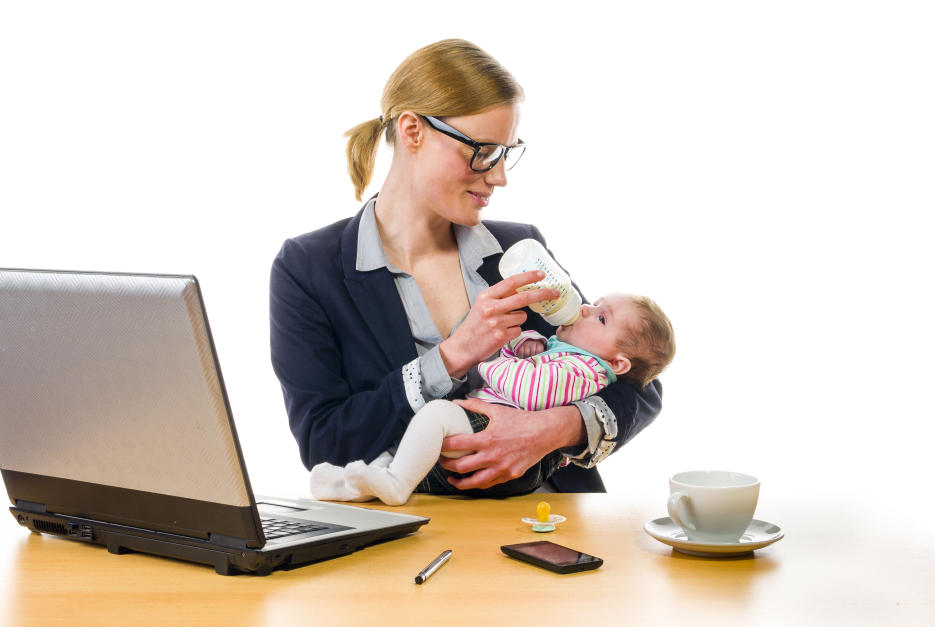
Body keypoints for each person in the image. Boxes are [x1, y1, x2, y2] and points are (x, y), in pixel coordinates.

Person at [269, 38, 664, 496]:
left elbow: (637, 374)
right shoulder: (309, 269)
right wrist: (451, 356)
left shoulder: (519, 249)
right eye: (483, 151)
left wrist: (552, 430)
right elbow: (324, 441)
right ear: (413, 131)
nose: (499, 177)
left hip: (545, 522)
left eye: (505, 153)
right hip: (410, 527)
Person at [309, 294, 675, 504]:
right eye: (595, 304)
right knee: (406, 440)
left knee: (437, 415)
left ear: (617, 363)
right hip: (474, 442)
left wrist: (491, 358)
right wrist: (523, 344)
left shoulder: (585, 369)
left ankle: (394, 484)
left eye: (599, 316)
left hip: (513, 460)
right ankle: (353, 486)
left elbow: (529, 389)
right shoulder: (570, 350)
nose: (582, 307)